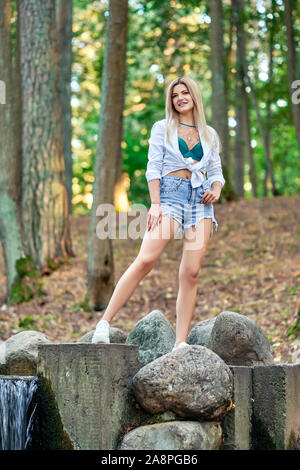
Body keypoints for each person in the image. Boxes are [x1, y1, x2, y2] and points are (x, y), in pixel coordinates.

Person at [92, 76, 225, 351]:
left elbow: (216, 172)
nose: (180, 97)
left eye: (185, 92)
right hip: (170, 197)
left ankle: (180, 342)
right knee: (146, 259)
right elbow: (153, 168)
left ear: (194, 95)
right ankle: (103, 323)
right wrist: (155, 204)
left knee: (191, 272)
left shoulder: (209, 133)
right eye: (175, 95)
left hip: (200, 203)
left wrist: (217, 190)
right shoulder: (162, 128)